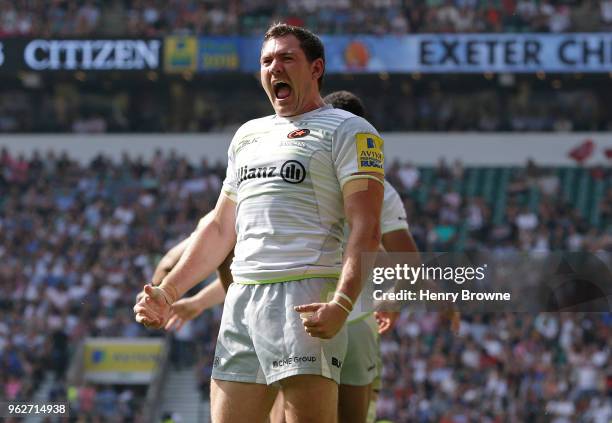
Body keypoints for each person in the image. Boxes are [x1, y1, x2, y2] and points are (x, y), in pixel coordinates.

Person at [134, 24, 385, 423]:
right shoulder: (247, 135)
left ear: (316, 68)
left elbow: (367, 229)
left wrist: (342, 302)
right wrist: (167, 292)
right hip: (242, 300)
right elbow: (219, 229)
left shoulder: (350, 130)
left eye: (287, 58)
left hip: (304, 298)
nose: (274, 67)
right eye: (267, 60)